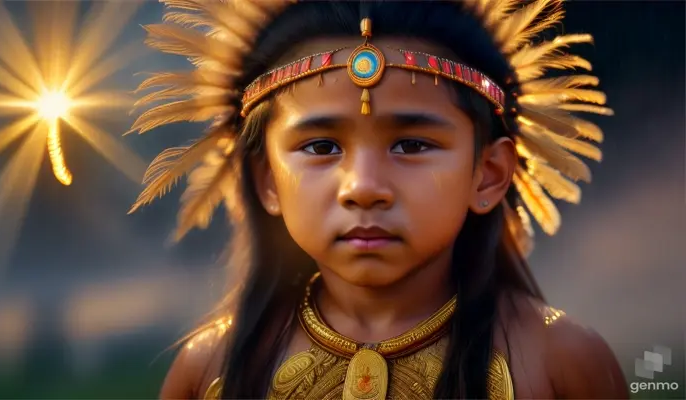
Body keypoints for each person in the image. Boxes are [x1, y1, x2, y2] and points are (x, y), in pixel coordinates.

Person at [128, 1, 629, 398]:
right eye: (321, 147)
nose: (363, 186)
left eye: (411, 145)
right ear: (267, 181)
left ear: (488, 174)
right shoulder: (210, 367)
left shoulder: (561, 362)